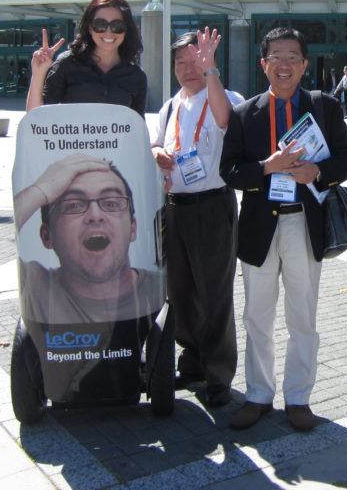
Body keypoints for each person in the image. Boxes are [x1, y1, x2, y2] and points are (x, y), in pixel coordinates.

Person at [220, 27, 347, 432]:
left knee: (303, 317)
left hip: (304, 221)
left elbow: (346, 158)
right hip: (260, 227)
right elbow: (229, 171)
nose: (284, 64)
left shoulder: (325, 107)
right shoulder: (246, 113)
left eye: (292, 57)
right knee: (256, 316)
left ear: (304, 64)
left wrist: (318, 171)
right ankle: (258, 395)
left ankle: (299, 397)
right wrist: (267, 168)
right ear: (263, 64)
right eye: (275, 56)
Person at [151, 29, 242, 409]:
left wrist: (211, 72)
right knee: (181, 292)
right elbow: (157, 141)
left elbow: (223, 120)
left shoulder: (224, 95)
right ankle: (192, 363)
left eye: (196, 59)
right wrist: (157, 152)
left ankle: (218, 374)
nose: (189, 68)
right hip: (175, 207)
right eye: (182, 62)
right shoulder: (171, 106)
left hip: (212, 207)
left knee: (214, 293)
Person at [13, 154, 163, 324]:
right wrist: (40, 190)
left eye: (111, 203)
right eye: (74, 205)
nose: (95, 215)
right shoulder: (35, 287)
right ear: (47, 236)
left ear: (133, 228)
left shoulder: (160, 290)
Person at [26, 0, 147, 118]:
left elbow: (137, 129)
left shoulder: (136, 76)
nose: (108, 32)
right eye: (100, 25)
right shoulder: (67, 64)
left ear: (126, 29)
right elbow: (36, 120)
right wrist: (38, 74)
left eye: (117, 26)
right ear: (89, 28)